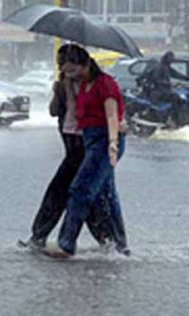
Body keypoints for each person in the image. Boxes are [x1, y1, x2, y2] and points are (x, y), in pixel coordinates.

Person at [18, 45, 112, 250]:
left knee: (82, 195)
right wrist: (59, 91)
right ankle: (39, 236)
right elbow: (54, 111)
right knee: (65, 193)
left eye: (66, 64)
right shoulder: (63, 85)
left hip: (89, 148)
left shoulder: (93, 84)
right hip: (72, 148)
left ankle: (108, 242)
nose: (63, 68)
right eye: (61, 64)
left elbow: (91, 113)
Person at [44, 46, 129, 258]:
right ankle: (120, 246)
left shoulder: (105, 83)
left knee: (80, 190)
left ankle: (66, 244)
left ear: (86, 64)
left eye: (74, 69)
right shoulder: (83, 85)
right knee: (107, 195)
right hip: (91, 140)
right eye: (67, 70)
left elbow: (111, 115)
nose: (72, 74)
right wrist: (63, 86)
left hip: (105, 141)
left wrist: (112, 143)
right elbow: (73, 113)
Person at [140, 51, 189, 123]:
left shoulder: (166, 67)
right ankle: (175, 118)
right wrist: (169, 84)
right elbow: (157, 80)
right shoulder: (159, 67)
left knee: (179, 96)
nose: (172, 60)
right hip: (157, 91)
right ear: (166, 58)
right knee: (176, 97)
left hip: (164, 89)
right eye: (170, 58)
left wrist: (188, 78)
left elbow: (176, 74)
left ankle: (174, 116)